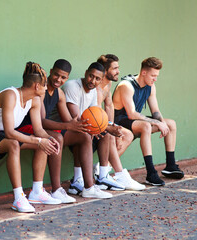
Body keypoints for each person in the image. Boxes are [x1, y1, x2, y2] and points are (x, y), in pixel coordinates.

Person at [0, 62, 62, 213]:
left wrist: (49, 140)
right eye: (44, 85)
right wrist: (39, 140)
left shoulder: (35, 100)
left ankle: (37, 191)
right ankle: (19, 198)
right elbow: (9, 133)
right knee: (14, 144)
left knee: (43, 144)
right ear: (36, 86)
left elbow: (39, 130)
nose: (47, 88)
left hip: (2, 134)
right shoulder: (10, 95)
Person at [18, 59, 112, 200]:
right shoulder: (41, 90)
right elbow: (41, 122)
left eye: (63, 77)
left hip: (45, 129)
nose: (58, 79)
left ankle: (89, 187)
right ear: (51, 72)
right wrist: (68, 126)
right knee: (57, 138)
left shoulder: (60, 94)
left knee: (84, 136)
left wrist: (87, 128)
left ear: (67, 77)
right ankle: (56, 189)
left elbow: (69, 121)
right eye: (56, 75)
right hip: (27, 127)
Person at [112, 57, 184, 186]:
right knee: (146, 126)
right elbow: (131, 113)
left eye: (157, 76)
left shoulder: (151, 86)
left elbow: (155, 111)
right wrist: (156, 123)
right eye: (153, 75)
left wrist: (162, 123)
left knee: (171, 123)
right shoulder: (126, 85)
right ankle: (151, 173)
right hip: (120, 120)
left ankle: (170, 166)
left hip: (135, 121)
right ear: (144, 73)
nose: (155, 79)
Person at [60, 62, 126, 192]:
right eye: (91, 76)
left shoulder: (94, 91)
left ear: (101, 80)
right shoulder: (72, 86)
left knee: (104, 133)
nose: (93, 81)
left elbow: (97, 116)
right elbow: (77, 119)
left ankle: (102, 175)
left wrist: (105, 127)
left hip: (80, 127)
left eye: (97, 79)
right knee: (85, 134)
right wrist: (106, 127)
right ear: (85, 73)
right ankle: (77, 180)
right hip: (65, 127)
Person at [96, 54, 145, 191]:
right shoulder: (97, 87)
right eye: (115, 68)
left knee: (127, 135)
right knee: (111, 136)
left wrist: (112, 125)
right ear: (105, 71)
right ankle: (116, 174)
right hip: (93, 124)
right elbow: (94, 113)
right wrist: (110, 129)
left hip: (104, 123)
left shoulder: (108, 84)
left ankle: (103, 169)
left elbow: (109, 106)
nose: (118, 71)